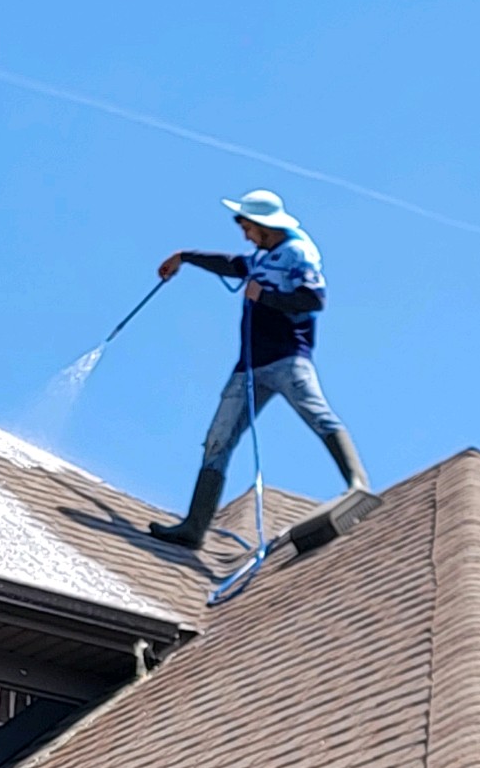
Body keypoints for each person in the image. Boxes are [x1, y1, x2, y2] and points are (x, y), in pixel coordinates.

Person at [147, 190, 369, 548]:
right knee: (217, 440)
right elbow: (234, 264)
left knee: (318, 415)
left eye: (248, 227)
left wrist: (263, 297)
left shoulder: (299, 252)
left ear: (266, 226)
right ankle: (193, 528)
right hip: (249, 367)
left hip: (287, 359)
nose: (245, 235)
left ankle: (358, 484)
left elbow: (314, 299)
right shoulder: (266, 256)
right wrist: (184, 257)